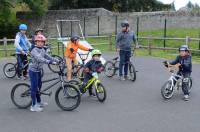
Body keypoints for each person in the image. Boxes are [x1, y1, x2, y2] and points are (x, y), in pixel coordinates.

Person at [29, 34, 59, 112]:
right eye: (39, 42)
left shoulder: (42, 50)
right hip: (33, 71)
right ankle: (33, 106)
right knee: (34, 88)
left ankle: (38, 102)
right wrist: (50, 62)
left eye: (42, 42)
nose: (40, 43)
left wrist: (56, 60)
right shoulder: (34, 50)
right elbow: (40, 59)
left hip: (39, 71)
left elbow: (47, 56)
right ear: (36, 42)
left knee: (39, 87)